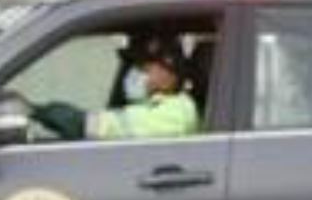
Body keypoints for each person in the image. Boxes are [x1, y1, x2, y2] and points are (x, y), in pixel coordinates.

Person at [30, 33, 200, 141]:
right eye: (133, 67)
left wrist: (35, 111)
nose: (134, 74)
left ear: (169, 75)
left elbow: (100, 126)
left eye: (143, 68)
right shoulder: (150, 104)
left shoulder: (177, 112)